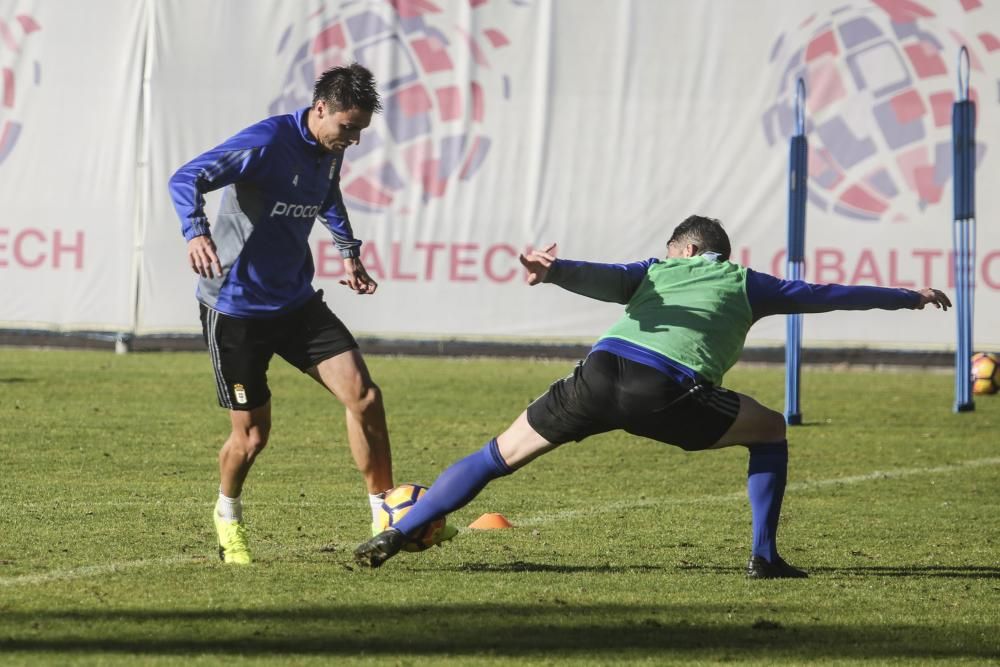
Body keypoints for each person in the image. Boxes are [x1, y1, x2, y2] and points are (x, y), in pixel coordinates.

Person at [353, 215, 952, 577]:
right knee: (770, 429)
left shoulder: (655, 271)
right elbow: (827, 294)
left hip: (597, 373)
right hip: (664, 388)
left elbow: (604, 276)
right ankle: (764, 557)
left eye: (671, 251)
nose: (668, 259)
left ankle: (400, 531)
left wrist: (554, 270)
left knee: (495, 455)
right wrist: (907, 296)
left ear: (687, 249)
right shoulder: (749, 283)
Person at [168, 63, 396, 565]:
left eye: (360, 130)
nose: (353, 140)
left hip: (295, 302)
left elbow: (326, 194)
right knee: (251, 437)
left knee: (364, 396)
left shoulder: (327, 151)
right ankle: (228, 517)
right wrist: (195, 232)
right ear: (320, 110)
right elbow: (187, 177)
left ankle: (386, 514)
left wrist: (348, 251)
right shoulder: (266, 143)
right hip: (236, 309)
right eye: (348, 128)